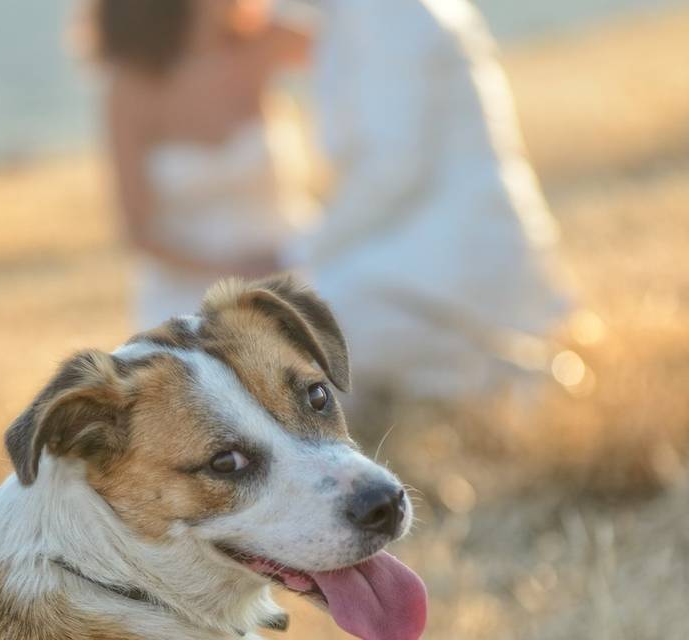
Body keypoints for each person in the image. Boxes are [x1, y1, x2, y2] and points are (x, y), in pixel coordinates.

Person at [299, 0, 571, 399]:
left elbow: (393, 168)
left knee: (315, 320)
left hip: (459, 247)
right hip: (412, 239)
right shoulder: (350, 16)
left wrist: (304, 250)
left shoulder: (388, 11)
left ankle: (506, 375)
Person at [95, 0, 311, 329]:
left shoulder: (268, 42)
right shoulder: (129, 86)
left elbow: (366, 49)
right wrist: (233, 274)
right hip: (186, 296)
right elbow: (137, 231)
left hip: (293, 266)